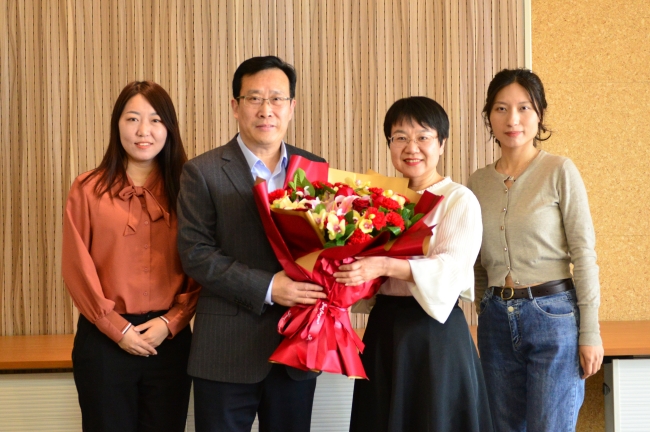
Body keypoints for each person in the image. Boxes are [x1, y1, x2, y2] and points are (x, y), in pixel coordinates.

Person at [176, 56, 327, 432]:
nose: (266, 109)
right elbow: (196, 254)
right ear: (235, 106)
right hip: (226, 352)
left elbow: (327, 247)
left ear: (291, 107)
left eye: (277, 98)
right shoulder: (202, 171)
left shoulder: (315, 168)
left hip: (296, 349)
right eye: (254, 98)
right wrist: (270, 287)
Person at [334, 96, 493, 432]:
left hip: (434, 335)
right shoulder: (378, 201)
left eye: (423, 137)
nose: (412, 147)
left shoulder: (458, 199)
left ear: (441, 143)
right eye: (400, 137)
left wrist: (384, 266)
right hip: (383, 329)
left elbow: (452, 268)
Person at [467, 68, 604, 432]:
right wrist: (484, 308)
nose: (512, 119)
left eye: (524, 107)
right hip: (496, 320)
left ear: (539, 113)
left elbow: (584, 254)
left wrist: (590, 332)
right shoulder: (477, 182)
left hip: (553, 317)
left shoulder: (560, 171)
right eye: (501, 108)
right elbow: (476, 259)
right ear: (489, 116)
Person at [62, 81, 201, 432]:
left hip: (169, 342)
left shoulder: (189, 190)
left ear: (169, 128)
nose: (143, 131)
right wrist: (117, 328)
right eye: (132, 119)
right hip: (104, 341)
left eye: (155, 120)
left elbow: (203, 262)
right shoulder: (87, 189)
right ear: (117, 125)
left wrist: (172, 321)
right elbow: (76, 267)